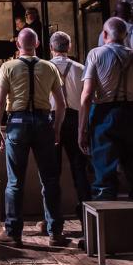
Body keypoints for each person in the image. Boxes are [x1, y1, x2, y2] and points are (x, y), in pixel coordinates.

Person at [0, 28, 68, 247]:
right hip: (44, 123)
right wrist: (57, 129)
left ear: (18, 45)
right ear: (37, 44)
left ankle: (13, 232)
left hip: (17, 123)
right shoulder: (49, 67)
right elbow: (61, 104)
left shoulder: (8, 67)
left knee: (15, 181)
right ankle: (55, 232)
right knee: (50, 179)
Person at [79, 17, 133, 202]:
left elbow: (87, 95)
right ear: (126, 35)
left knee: (104, 168)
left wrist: (82, 129)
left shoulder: (95, 54)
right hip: (131, 112)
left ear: (105, 34)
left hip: (103, 113)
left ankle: (106, 207)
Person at [97, 0, 133, 171]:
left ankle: (118, 165)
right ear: (131, 14)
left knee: (114, 125)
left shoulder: (104, 34)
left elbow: (103, 60)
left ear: (115, 14)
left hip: (113, 87)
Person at [48, 31, 91, 214]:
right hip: (75, 119)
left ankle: (53, 216)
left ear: (51, 48)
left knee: (52, 171)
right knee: (79, 168)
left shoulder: (44, 67)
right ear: (69, 46)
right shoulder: (81, 68)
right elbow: (88, 99)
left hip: (51, 119)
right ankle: (85, 214)